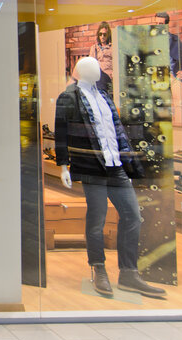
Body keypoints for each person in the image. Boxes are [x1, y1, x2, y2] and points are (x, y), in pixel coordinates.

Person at [54, 56, 166, 299]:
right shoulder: (68, 97)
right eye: (91, 67)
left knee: (132, 216)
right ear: (79, 71)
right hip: (91, 165)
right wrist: (63, 165)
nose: (97, 70)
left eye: (97, 66)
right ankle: (98, 268)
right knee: (97, 218)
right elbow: (61, 133)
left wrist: (128, 161)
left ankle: (129, 272)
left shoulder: (104, 96)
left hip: (116, 165)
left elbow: (117, 131)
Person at [154, 12, 182, 127]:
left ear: (167, 25)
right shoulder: (149, 40)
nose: (158, 26)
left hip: (173, 75)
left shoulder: (174, 40)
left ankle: (181, 131)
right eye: (156, 23)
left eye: (161, 24)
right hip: (156, 76)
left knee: (180, 102)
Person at [88, 21, 114, 95]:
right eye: (100, 34)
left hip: (108, 76)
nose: (102, 36)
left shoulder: (112, 47)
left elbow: (116, 63)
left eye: (104, 34)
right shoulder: (94, 48)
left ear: (108, 35)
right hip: (97, 76)